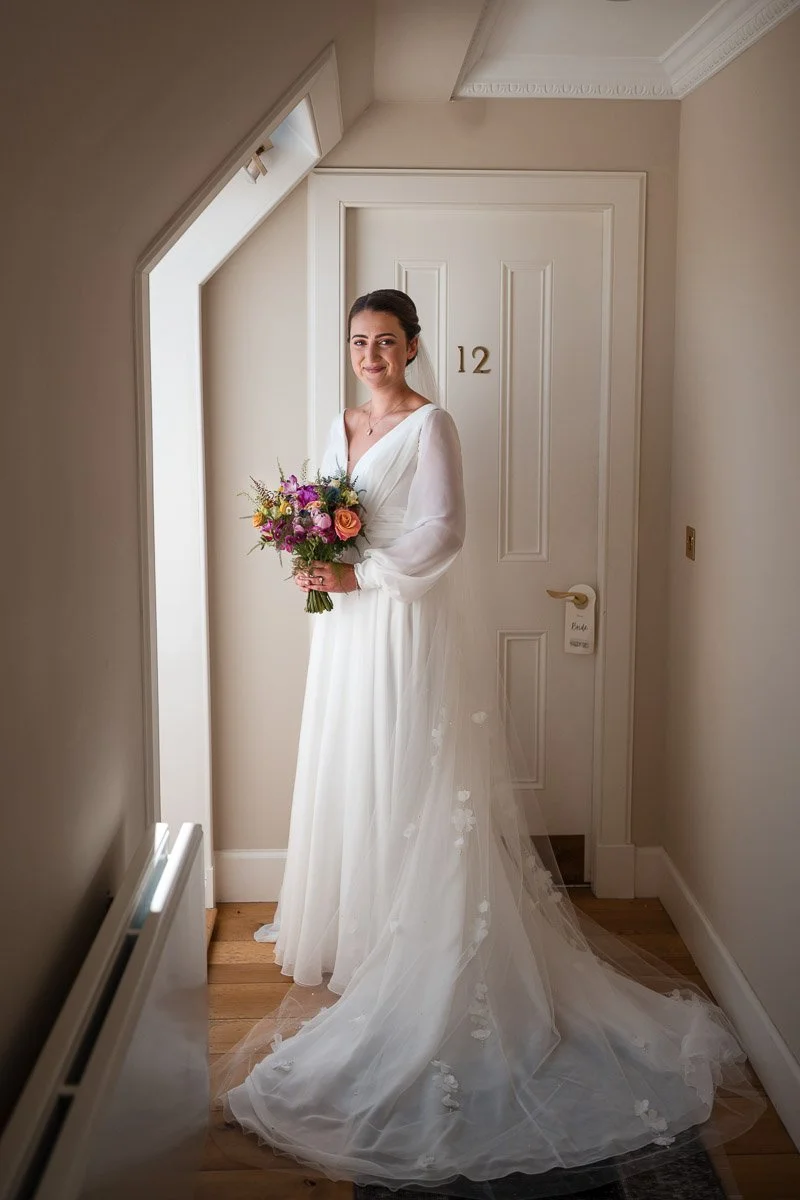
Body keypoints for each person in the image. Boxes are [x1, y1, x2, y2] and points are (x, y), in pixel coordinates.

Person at [212, 290, 763, 1196]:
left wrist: (364, 572)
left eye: (387, 342)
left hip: (397, 620)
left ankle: (406, 932)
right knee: (349, 756)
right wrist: (312, 555)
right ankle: (349, 927)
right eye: (359, 342)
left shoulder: (435, 424)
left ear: (414, 347)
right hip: (342, 629)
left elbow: (445, 529)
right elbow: (318, 507)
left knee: (402, 762)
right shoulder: (338, 419)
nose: (372, 354)